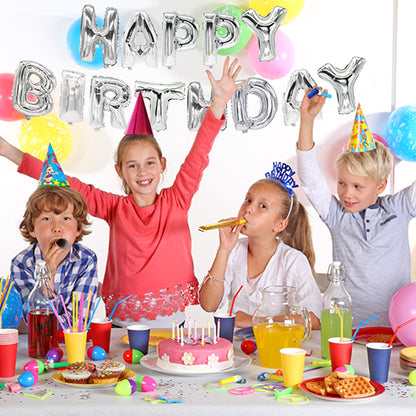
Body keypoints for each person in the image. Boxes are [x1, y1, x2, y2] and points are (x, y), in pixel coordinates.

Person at [1, 57, 245, 328]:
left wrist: (218, 104)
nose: (143, 172)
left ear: (162, 165)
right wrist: (8, 150)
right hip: (122, 323)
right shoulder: (113, 207)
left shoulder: (178, 198)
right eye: (133, 165)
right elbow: (65, 183)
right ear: (120, 171)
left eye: (150, 163)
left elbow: (199, 153)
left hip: (179, 322)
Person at [297, 88, 416, 326]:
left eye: (358, 187)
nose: (346, 193)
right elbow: (310, 179)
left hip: (397, 331)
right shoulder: (337, 217)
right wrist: (307, 120)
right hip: (348, 332)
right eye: (342, 183)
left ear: (381, 185)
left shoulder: (399, 208)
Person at [199, 162, 322, 329]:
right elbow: (209, 305)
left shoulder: (293, 261)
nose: (249, 209)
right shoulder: (233, 251)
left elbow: (314, 320)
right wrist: (224, 250)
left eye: (262, 206)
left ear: (279, 225)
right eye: (248, 200)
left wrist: (255, 321)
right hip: (238, 350)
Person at [11, 147, 98, 327]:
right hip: (38, 348)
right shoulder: (22, 263)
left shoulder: (86, 260)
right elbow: (36, 323)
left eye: (66, 218)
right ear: (32, 229)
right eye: (46, 219)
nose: (57, 227)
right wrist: (47, 275)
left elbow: (78, 323)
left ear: (78, 229)